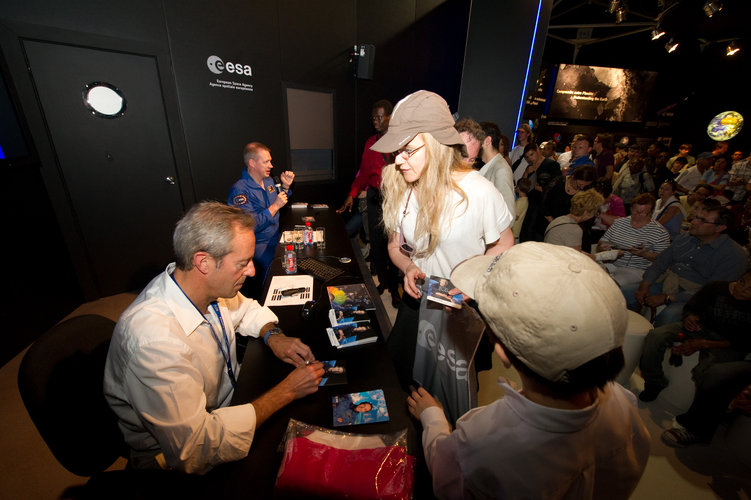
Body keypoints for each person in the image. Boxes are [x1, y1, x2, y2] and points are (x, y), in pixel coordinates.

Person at [407, 242, 650, 499]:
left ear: (501, 351)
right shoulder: (625, 403)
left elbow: (445, 476)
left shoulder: (484, 440)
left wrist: (432, 418)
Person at [104, 202, 323, 474]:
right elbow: (196, 448)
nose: (252, 271)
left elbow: (245, 309)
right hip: (172, 459)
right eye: (242, 263)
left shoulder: (199, 285)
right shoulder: (154, 340)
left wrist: (273, 335)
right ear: (203, 262)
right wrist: (286, 391)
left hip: (228, 407)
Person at [373, 90, 514, 402]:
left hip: (459, 310)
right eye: (397, 150)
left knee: (448, 395)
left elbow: (504, 244)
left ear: (437, 144)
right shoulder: (400, 185)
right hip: (418, 300)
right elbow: (395, 246)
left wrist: (469, 283)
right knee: (400, 384)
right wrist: (408, 266)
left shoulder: (478, 191)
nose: (398, 160)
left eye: (408, 150)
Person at [623, 198, 749, 326]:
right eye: (695, 217)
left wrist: (668, 298)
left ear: (719, 228)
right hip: (666, 281)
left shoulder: (734, 255)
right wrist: (645, 284)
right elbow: (660, 263)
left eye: (702, 220)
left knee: (668, 316)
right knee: (622, 294)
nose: (693, 222)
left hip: (696, 297)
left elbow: (712, 292)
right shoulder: (686, 237)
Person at [638, 272, 751, 412]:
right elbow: (692, 307)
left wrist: (704, 343)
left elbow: (744, 342)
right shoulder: (716, 287)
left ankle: (699, 415)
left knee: (709, 372)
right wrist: (689, 317)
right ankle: (654, 381)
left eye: (749, 290)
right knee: (656, 336)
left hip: (726, 343)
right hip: (699, 327)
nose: (741, 290)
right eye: (742, 283)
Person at [336, 100, 400, 306]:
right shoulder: (370, 143)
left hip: (395, 200)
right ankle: (381, 281)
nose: (375, 121)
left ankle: (395, 289)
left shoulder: (400, 142)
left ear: (390, 116)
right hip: (374, 198)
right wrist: (352, 194)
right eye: (373, 117)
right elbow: (363, 173)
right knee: (377, 246)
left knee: (395, 247)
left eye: (379, 117)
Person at [228, 142, 294, 281]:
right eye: (266, 162)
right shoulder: (240, 190)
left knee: (296, 258)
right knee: (278, 269)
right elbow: (249, 225)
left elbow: (280, 199)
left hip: (275, 237)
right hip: (258, 244)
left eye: (270, 161)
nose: (271, 165)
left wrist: (286, 187)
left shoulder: (269, 181)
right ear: (252, 163)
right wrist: (275, 206)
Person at [597, 193, 671, 287]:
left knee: (609, 285)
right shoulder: (619, 223)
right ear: (630, 208)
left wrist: (644, 254)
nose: (637, 215)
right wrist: (603, 246)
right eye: (635, 211)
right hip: (610, 263)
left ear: (651, 213)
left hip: (635, 269)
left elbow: (663, 260)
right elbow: (602, 241)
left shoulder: (660, 232)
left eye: (642, 213)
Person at [478, 121, 516, 218]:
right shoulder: (490, 165)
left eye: (477, 139)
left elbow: (508, 214)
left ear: (487, 141)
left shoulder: (501, 169)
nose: (474, 143)